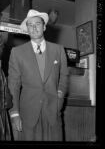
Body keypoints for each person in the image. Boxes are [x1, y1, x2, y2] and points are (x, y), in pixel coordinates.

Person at [8, 9, 69, 141]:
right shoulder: (17, 52)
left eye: (37, 24)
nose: (34, 28)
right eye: (30, 25)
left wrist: (59, 97)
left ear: (44, 26)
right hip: (28, 113)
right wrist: (14, 113)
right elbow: (13, 85)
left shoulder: (58, 50)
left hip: (53, 112)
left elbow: (64, 76)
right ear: (27, 29)